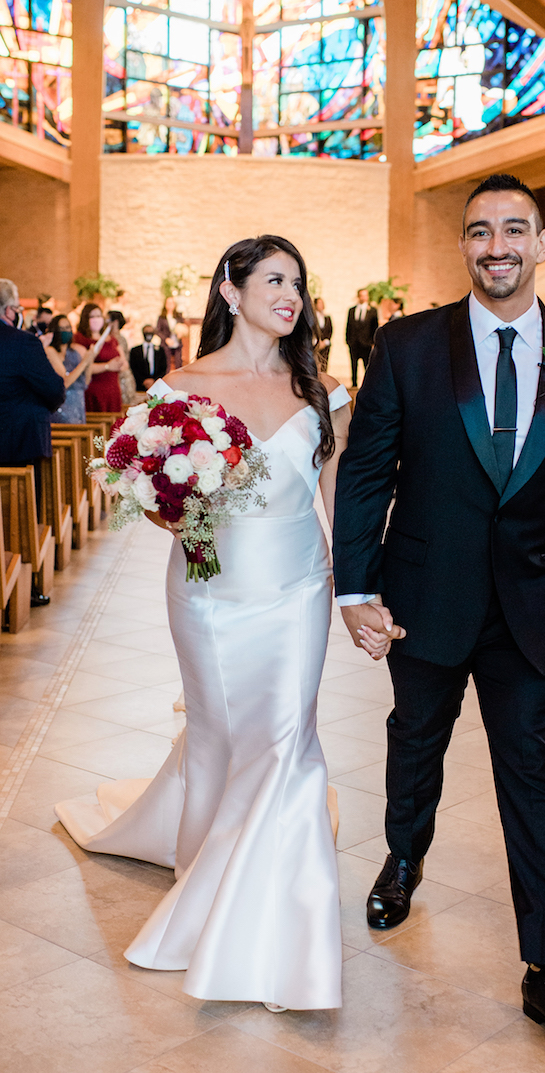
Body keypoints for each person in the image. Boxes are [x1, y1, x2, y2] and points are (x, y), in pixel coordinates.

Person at [333, 174, 545, 1050]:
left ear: (541, 244)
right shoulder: (409, 346)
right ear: (465, 245)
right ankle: (404, 853)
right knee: (414, 742)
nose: (497, 245)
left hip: (535, 606)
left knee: (532, 777)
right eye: (480, 231)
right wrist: (354, 587)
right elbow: (367, 472)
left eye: (514, 230)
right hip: (426, 596)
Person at [56, 235, 350, 1012]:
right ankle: (206, 866)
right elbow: (152, 497)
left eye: (298, 280)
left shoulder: (322, 390)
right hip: (209, 594)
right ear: (231, 289)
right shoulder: (180, 389)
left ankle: (285, 935)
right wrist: (190, 513)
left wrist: (358, 591)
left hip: (298, 591)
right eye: (274, 279)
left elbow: (337, 500)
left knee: (289, 742)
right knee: (220, 735)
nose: (290, 294)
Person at [0, 278, 65, 606]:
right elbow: (54, 389)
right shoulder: (22, 343)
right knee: (20, 517)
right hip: (17, 444)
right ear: (11, 310)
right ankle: (22, 589)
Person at [73, 303, 125, 413]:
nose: (96, 319)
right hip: (94, 389)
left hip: (113, 389)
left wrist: (119, 364)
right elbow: (83, 366)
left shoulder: (111, 339)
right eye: (92, 316)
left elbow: (124, 363)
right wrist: (107, 366)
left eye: (99, 316)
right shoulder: (80, 339)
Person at [45, 315, 96, 424]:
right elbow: (65, 382)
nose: (66, 331)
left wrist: (90, 360)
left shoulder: (76, 351)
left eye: (68, 328)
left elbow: (85, 382)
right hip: (63, 405)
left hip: (78, 403)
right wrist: (84, 362)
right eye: (62, 329)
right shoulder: (50, 351)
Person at [346, 287, 378, 387]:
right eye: (361, 295)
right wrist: (348, 340)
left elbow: (374, 327)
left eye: (365, 295)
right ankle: (354, 384)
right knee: (353, 365)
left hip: (366, 343)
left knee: (367, 366)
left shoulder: (372, 311)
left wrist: (372, 342)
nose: (363, 297)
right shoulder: (352, 310)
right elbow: (348, 326)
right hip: (354, 343)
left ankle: (367, 385)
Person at [107, 310, 137, 407]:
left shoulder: (116, 339)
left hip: (121, 379)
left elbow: (124, 363)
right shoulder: (121, 337)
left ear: (115, 322)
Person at [129, 324, 168, 392]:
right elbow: (133, 367)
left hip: (156, 384)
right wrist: (143, 380)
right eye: (146, 332)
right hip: (139, 385)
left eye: (151, 332)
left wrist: (154, 380)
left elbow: (163, 367)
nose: (149, 334)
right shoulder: (135, 350)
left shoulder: (160, 350)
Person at [157, 295, 185, 372]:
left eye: (172, 303)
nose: (170, 305)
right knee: (166, 364)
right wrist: (166, 339)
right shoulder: (162, 317)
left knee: (178, 364)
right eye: (168, 303)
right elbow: (158, 331)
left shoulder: (178, 316)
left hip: (177, 342)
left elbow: (183, 327)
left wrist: (180, 333)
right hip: (166, 343)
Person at [313, 296, 333, 371]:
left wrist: (325, 341)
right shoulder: (312, 317)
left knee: (324, 364)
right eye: (319, 303)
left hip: (325, 344)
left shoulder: (327, 317)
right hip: (314, 344)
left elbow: (330, 330)